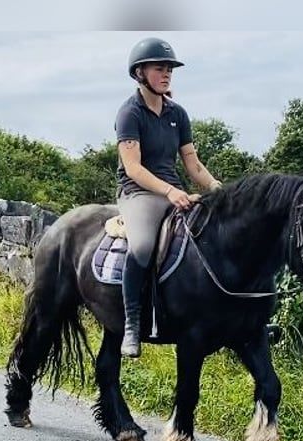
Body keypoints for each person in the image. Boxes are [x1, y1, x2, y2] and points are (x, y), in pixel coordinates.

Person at [115, 37, 222, 358]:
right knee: (144, 245)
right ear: (140, 73)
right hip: (139, 194)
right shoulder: (129, 113)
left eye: (169, 70)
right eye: (160, 69)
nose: (166, 75)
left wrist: (219, 190)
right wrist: (170, 191)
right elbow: (133, 168)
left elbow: (193, 164)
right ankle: (132, 324)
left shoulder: (178, 113)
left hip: (175, 191)